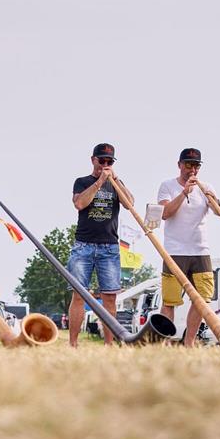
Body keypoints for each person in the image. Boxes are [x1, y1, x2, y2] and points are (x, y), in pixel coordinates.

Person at [67, 143, 133, 347]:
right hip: (83, 245)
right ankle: (73, 344)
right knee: (79, 295)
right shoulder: (82, 182)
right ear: (93, 160)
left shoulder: (116, 183)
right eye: (101, 160)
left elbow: (129, 204)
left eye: (109, 161)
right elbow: (79, 203)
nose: (105, 164)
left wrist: (115, 180)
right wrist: (100, 182)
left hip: (109, 246)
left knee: (110, 297)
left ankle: (108, 344)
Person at [156, 147, 220, 347]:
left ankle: (189, 342)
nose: (192, 170)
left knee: (202, 300)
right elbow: (165, 213)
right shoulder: (167, 186)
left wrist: (213, 199)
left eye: (196, 166)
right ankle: (165, 342)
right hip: (174, 251)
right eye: (188, 165)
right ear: (179, 165)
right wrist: (184, 192)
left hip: (200, 250)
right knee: (170, 301)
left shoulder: (206, 186)